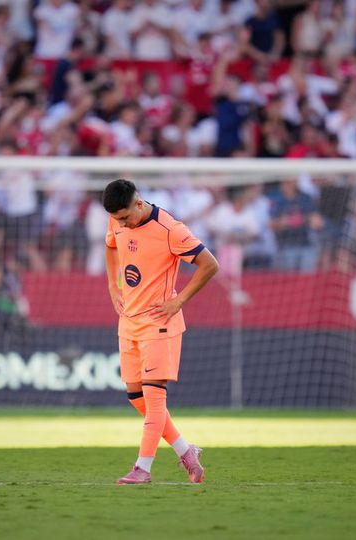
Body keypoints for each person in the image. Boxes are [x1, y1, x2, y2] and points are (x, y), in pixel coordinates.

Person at [103, 179, 218, 484]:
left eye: (125, 217)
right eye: (117, 219)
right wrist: (113, 284)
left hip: (159, 323)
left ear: (139, 204)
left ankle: (143, 468)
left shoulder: (170, 229)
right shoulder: (116, 220)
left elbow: (210, 264)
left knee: (154, 400)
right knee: (136, 396)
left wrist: (178, 301)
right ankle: (186, 451)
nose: (122, 224)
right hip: (129, 320)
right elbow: (110, 245)